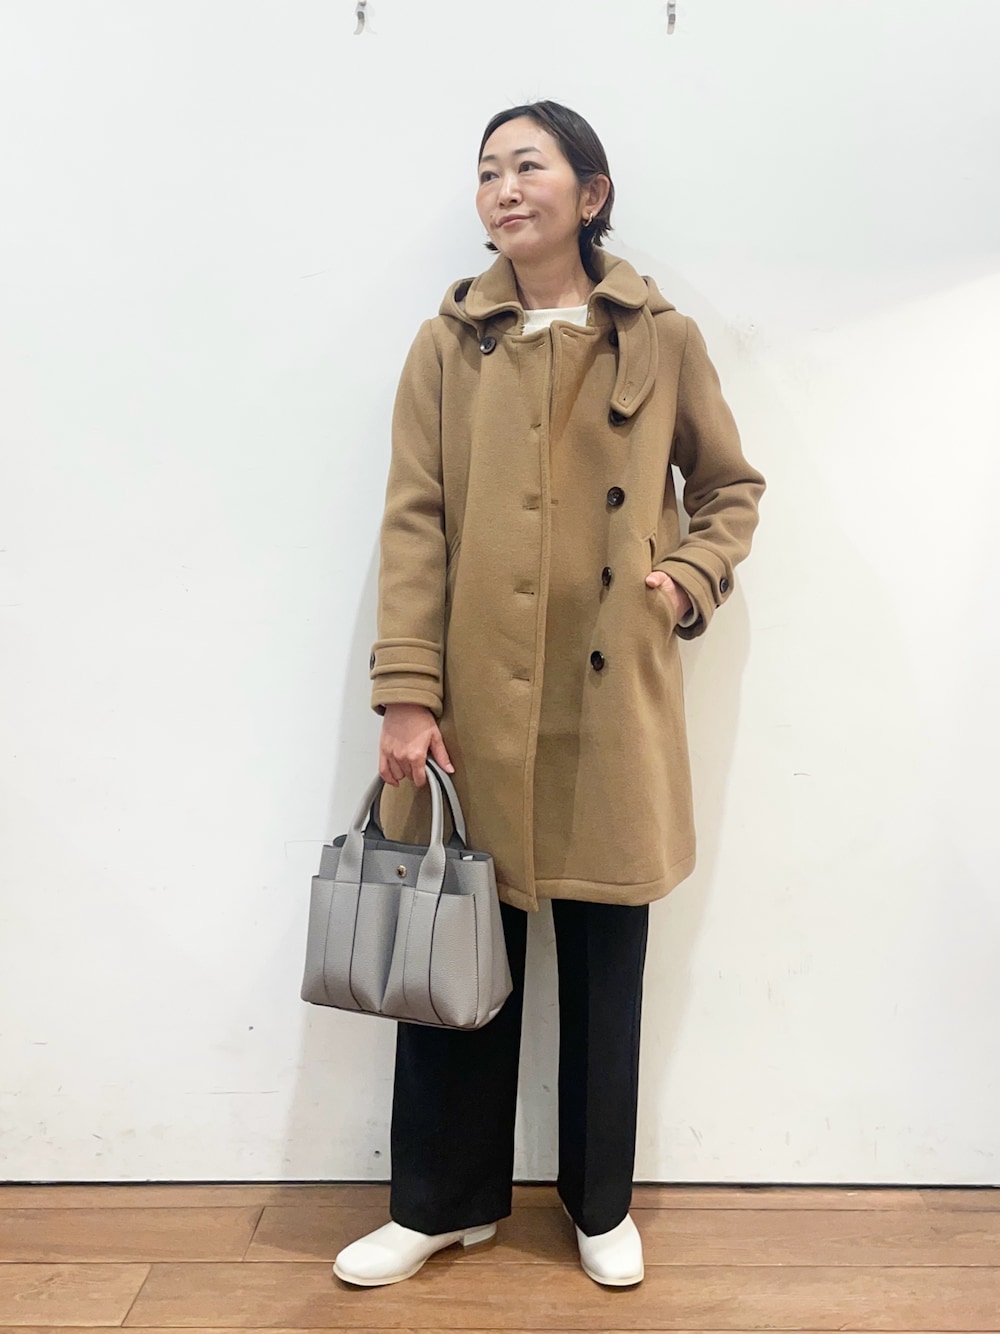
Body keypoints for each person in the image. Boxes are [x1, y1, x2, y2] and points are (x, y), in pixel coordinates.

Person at [333, 101, 765, 1289]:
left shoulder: (660, 338)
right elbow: (414, 520)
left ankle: (599, 1201)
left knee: (606, 961)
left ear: (591, 190)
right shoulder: (448, 345)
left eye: (528, 165)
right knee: (450, 950)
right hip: (472, 701)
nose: (503, 188)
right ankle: (439, 1204)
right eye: (486, 172)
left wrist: (684, 579)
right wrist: (408, 689)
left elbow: (728, 487)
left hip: (610, 697)